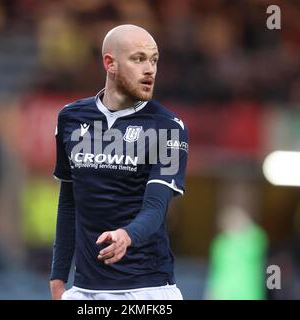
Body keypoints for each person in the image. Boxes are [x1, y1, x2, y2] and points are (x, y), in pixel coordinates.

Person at [49, 24, 188, 300]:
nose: (150, 69)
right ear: (110, 63)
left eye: (154, 60)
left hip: (148, 290)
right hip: (84, 290)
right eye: (138, 59)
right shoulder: (69, 118)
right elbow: (69, 201)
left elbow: (157, 207)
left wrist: (127, 235)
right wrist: (58, 276)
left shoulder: (169, 127)